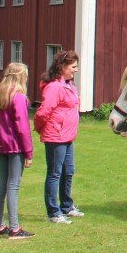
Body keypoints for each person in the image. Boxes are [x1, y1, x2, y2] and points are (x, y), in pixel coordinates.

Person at [34, 50, 83, 224]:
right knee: (55, 173)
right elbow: (43, 112)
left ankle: (67, 206)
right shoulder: (55, 87)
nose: (76, 70)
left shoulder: (69, 85)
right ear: (62, 66)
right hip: (56, 136)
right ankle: (53, 212)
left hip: (68, 136)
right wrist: (41, 129)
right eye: (73, 66)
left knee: (68, 171)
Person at [0, 63, 34, 239]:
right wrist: (29, 152)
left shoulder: (0, 94)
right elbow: (23, 127)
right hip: (15, 146)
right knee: (13, 185)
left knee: (2, 182)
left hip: (1, 144)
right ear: (21, 77)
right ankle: (15, 228)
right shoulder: (18, 98)